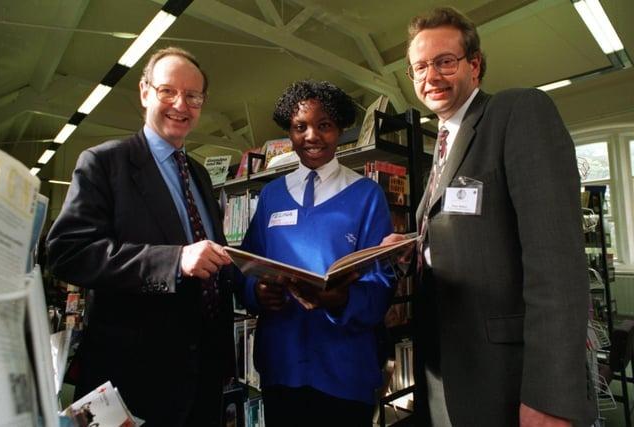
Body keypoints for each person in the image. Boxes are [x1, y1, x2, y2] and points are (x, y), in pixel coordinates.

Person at [382, 7, 595, 427]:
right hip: (446, 367)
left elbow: (556, 261)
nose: (432, 76)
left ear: (475, 65)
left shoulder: (517, 112)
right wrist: (415, 245)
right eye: (420, 67)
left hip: (506, 378)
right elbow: (476, 233)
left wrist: (552, 397)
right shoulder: (444, 146)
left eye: (445, 61)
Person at [46, 47, 236, 427]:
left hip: (205, 377)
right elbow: (68, 251)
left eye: (193, 96)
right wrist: (173, 261)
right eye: (168, 91)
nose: (181, 104)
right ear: (145, 92)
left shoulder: (199, 174)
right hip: (137, 379)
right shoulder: (104, 163)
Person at [236, 80, 395, 426]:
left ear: (339, 128)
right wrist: (258, 293)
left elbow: (382, 284)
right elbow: (246, 267)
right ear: (288, 132)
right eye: (300, 127)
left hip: (345, 367)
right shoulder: (271, 196)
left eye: (323, 125)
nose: (312, 136)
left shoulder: (366, 195)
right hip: (282, 363)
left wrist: (339, 299)